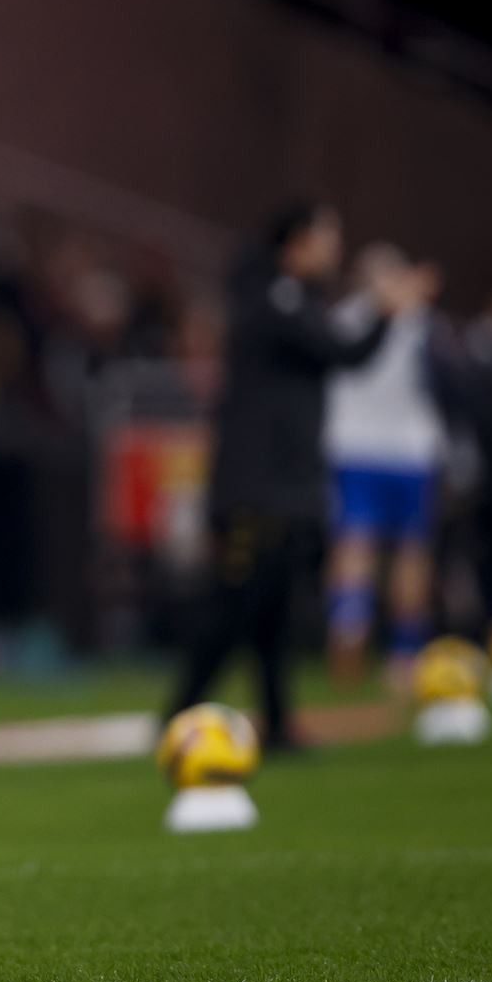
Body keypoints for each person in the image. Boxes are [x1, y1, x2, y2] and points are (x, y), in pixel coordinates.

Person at [168, 203, 418, 750]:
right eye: (326, 237)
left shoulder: (293, 300)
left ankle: (277, 722)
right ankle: (179, 712)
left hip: (285, 488)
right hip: (255, 489)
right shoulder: (273, 300)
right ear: (297, 243)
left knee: (273, 612)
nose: (334, 250)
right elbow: (341, 350)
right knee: (234, 604)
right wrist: (383, 311)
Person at [321, 246, 445, 684]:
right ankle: (403, 651)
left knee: (357, 542)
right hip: (408, 450)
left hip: (357, 447)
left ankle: (350, 626)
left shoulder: (340, 318)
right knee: (409, 549)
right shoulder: (419, 322)